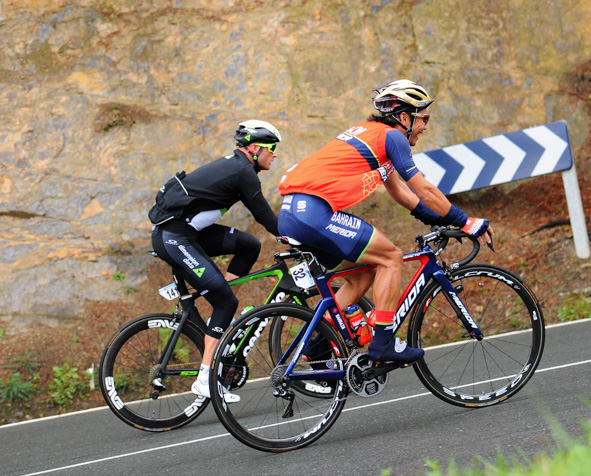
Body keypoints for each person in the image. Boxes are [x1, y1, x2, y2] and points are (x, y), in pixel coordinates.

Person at [277, 79, 493, 364]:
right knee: (391, 257)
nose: (426, 125)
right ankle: (383, 343)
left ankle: (314, 349)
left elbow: (399, 191)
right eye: (423, 117)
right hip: (314, 212)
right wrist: (464, 221)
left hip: (291, 214)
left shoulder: (372, 135)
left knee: (363, 275)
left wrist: (434, 219)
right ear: (405, 117)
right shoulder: (394, 137)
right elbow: (422, 188)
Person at [148, 120, 282, 402]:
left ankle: (216, 303)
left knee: (249, 245)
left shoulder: (237, 165)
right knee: (226, 303)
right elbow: (265, 216)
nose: (276, 154)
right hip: (175, 238)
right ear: (255, 149)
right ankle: (206, 379)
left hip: (185, 232)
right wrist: (298, 236)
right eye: (272, 148)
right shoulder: (244, 172)